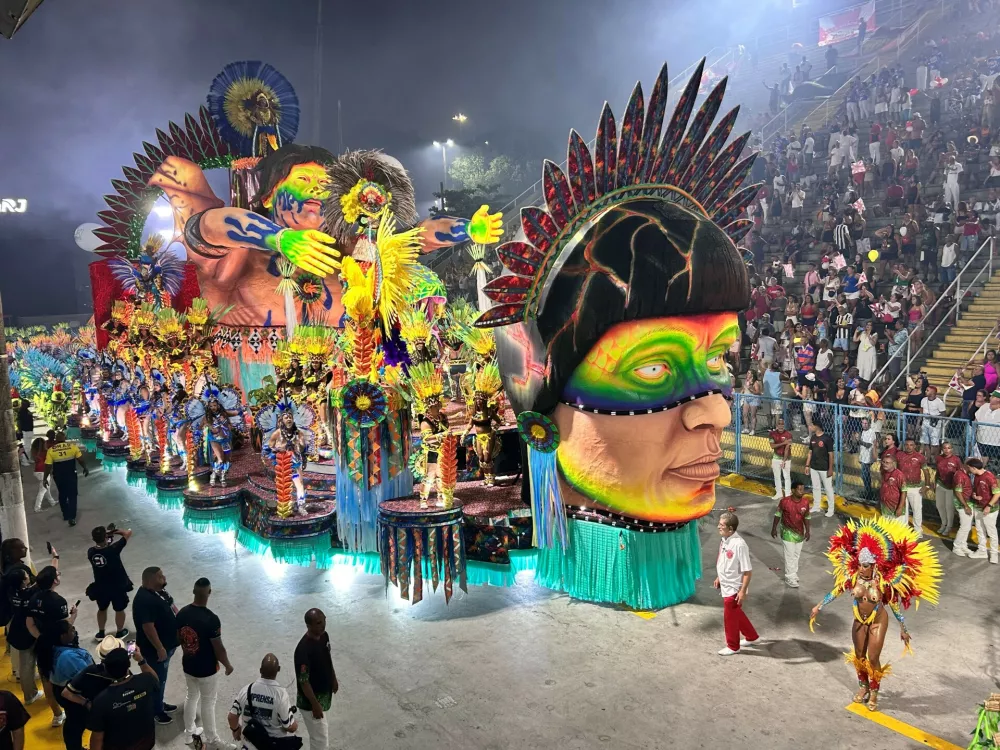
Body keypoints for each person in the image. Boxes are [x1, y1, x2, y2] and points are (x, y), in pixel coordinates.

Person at [809, 517, 937, 712]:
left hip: (878, 621)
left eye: (866, 565)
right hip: (859, 621)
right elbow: (836, 590)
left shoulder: (884, 582)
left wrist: (903, 629)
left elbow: (894, 605)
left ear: (874, 565)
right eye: (860, 564)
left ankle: (874, 692)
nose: (862, 567)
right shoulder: (853, 576)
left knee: (873, 658)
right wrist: (819, 606)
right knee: (859, 656)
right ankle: (864, 687)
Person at [176, 577, 235, 748]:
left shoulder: (182, 613)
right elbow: (219, 648)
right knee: (208, 702)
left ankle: (189, 734)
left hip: (188, 665)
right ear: (209, 592)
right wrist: (227, 665)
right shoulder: (211, 619)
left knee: (191, 696)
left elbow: (179, 637)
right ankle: (212, 739)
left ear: (193, 591)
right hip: (207, 669)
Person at [26, 565, 75, 727]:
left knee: (46, 679)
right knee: (66, 678)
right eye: (57, 574)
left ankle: (57, 715)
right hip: (60, 647)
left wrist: (41, 638)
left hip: (42, 646)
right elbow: (64, 627)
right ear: (54, 581)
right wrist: (73, 616)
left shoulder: (34, 598)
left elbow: (30, 623)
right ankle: (72, 710)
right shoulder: (58, 601)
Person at [86, 646, 161, 750]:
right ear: (128, 665)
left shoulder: (101, 701)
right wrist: (141, 660)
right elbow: (155, 680)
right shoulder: (146, 680)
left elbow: (97, 738)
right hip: (146, 742)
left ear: (106, 669)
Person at [61, 636, 127, 750]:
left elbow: (66, 693)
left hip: (88, 713)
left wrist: (86, 703)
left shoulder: (91, 672)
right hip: (110, 715)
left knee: (72, 733)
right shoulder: (125, 674)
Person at [132, 566, 179, 724]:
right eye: (160, 576)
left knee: (161, 679)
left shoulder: (160, 592)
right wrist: (160, 648)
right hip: (154, 651)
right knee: (157, 680)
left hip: (168, 645)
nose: (164, 578)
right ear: (151, 580)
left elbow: (172, 608)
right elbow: (148, 627)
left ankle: (158, 703)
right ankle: (156, 710)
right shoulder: (145, 600)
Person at [228, 654, 299, 750]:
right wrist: (295, 724)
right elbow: (289, 727)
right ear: (278, 669)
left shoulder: (246, 690)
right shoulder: (281, 695)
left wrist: (236, 730)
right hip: (273, 746)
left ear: (260, 670)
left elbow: (231, 717)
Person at [714, 511, 758, 655]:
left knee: (730, 618)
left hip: (734, 587)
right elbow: (723, 561)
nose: (718, 527)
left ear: (731, 529)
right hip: (725, 583)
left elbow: (747, 571)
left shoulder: (739, 545)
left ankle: (733, 646)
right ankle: (752, 636)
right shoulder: (724, 540)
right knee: (736, 613)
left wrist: (742, 591)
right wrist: (719, 577)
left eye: (722, 525)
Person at [295, 609, 338, 750]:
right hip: (310, 703)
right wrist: (314, 704)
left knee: (320, 735)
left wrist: (333, 678)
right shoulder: (303, 650)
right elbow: (304, 681)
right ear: (308, 626)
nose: (323, 625)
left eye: (324, 620)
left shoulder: (324, 636)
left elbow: (327, 657)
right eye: (318, 623)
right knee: (320, 741)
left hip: (322, 696)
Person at [51, 621, 95, 750]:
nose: (74, 631)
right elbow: (88, 677)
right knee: (77, 723)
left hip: (64, 691)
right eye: (71, 630)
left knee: (73, 722)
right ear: (63, 636)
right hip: (73, 695)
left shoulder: (57, 648)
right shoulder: (68, 657)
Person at [87, 525, 133, 642]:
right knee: (119, 609)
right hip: (117, 586)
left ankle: (101, 632)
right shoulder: (113, 549)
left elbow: (103, 548)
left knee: (102, 609)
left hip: (101, 587)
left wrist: (107, 537)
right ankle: (120, 631)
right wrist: (114, 531)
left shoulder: (91, 552)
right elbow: (128, 533)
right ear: (105, 537)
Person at [4, 567, 41, 705]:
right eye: (26, 575)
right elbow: (41, 582)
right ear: (23, 581)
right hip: (27, 631)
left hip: (17, 629)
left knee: (25, 662)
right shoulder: (28, 594)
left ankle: (29, 692)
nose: (28, 576)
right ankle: (30, 694)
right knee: (27, 665)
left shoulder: (12, 592)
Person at [42, 431, 89, 526]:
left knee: (62, 494)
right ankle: (72, 517)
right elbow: (80, 459)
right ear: (65, 438)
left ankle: (66, 514)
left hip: (58, 476)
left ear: (56, 439)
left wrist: (45, 478)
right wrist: (85, 468)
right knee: (72, 495)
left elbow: (48, 466)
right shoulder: (72, 447)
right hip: (71, 474)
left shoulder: (51, 450)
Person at [771, 480, 811, 588]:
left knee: (796, 555)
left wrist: (808, 531)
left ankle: (793, 574)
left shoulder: (805, 502)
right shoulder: (784, 501)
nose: (802, 491)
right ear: (793, 490)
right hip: (787, 532)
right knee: (789, 556)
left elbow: (807, 517)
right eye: (799, 489)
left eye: (803, 489)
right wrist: (774, 528)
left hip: (800, 533)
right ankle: (789, 577)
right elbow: (778, 514)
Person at [967, 458, 1000, 563]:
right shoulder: (976, 476)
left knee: (991, 531)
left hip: (990, 509)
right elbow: (977, 489)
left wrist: (989, 506)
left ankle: (994, 554)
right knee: (980, 529)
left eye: (969, 468)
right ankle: (982, 551)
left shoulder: (989, 477)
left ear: (974, 468)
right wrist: (975, 495)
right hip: (979, 507)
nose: (968, 470)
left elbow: (997, 493)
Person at [896, 438, 925, 537]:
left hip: (915, 488)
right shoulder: (899, 455)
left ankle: (918, 530)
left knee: (917, 509)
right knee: (904, 509)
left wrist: (927, 485)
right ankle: (904, 528)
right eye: (907, 445)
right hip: (902, 487)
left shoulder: (920, 457)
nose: (909, 447)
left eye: (911, 445)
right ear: (904, 446)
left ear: (915, 446)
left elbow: (926, 472)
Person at [807, 422, 835, 517]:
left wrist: (830, 469)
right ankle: (816, 506)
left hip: (824, 468)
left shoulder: (827, 439)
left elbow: (831, 455)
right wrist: (807, 465)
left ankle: (831, 509)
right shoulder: (813, 438)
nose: (810, 427)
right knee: (815, 487)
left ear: (817, 426)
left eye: (812, 425)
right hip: (814, 467)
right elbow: (810, 452)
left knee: (828, 489)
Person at [934, 441, 962, 536]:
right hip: (940, 484)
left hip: (951, 487)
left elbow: (960, 473)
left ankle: (949, 526)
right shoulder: (939, 458)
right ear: (942, 449)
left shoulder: (956, 459)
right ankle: (943, 523)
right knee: (939, 505)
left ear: (952, 449)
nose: (947, 450)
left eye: (949, 448)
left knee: (949, 507)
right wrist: (935, 483)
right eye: (944, 448)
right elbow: (937, 472)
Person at [952, 462, 976, 557]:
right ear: (968, 466)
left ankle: (963, 545)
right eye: (974, 468)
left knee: (967, 526)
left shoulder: (965, 474)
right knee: (964, 527)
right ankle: (956, 547)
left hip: (967, 503)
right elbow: (958, 492)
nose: (975, 470)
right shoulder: (960, 475)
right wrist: (965, 506)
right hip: (963, 504)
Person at [919, 386, 946, 463]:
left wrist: (934, 417)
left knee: (935, 443)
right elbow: (921, 411)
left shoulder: (939, 402)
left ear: (933, 392)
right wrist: (919, 422)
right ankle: (927, 459)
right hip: (925, 422)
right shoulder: (923, 400)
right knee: (926, 442)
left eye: (927, 390)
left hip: (935, 423)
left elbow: (944, 414)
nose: (925, 391)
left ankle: (934, 459)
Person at [769, 417, 793, 500]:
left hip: (786, 458)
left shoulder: (789, 435)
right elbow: (772, 446)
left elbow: (787, 448)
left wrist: (784, 461)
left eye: (782, 424)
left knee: (787, 476)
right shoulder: (772, 434)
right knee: (777, 476)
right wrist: (783, 443)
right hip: (776, 457)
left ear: (784, 425)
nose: (781, 426)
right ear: (776, 425)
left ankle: (787, 494)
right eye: (779, 424)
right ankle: (779, 493)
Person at [29, 435, 55, 512]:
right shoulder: (45, 452)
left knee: (46, 488)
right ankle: (37, 508)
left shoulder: (35, 452)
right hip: (44, 472)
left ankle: (52, 502)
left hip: (38, 471)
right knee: (43, 490)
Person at [975, 390, 1000, 467]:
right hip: (981, 440)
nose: (990, 398)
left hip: (996, 442)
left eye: (993, 396)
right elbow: (976, 419)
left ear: (998, 399)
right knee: (982, 460)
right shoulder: (985, 406)